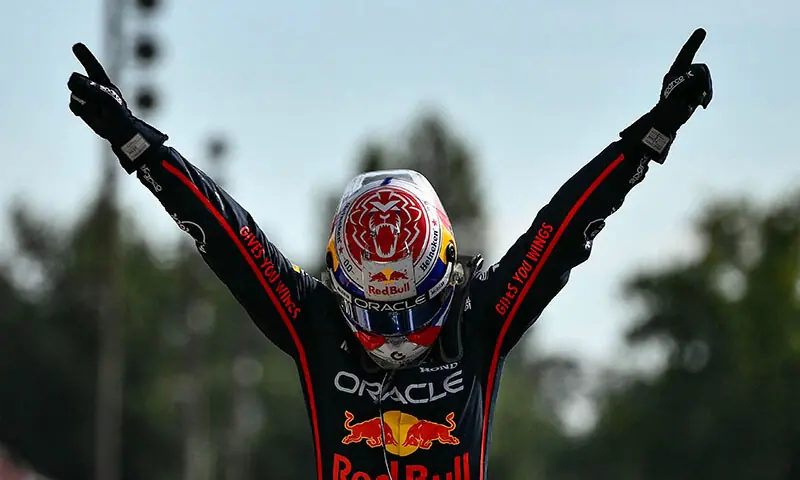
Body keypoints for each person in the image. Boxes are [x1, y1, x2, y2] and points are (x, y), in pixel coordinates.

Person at [66, 28, 713, 480]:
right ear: (341, 286)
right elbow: (229, 238)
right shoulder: (312, 319)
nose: (396, 336)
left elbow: (564, 229)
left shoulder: (481, 319)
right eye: (376, 314)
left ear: (446, 272)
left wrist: (653, 133)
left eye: (409, 309)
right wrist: (135, 141)